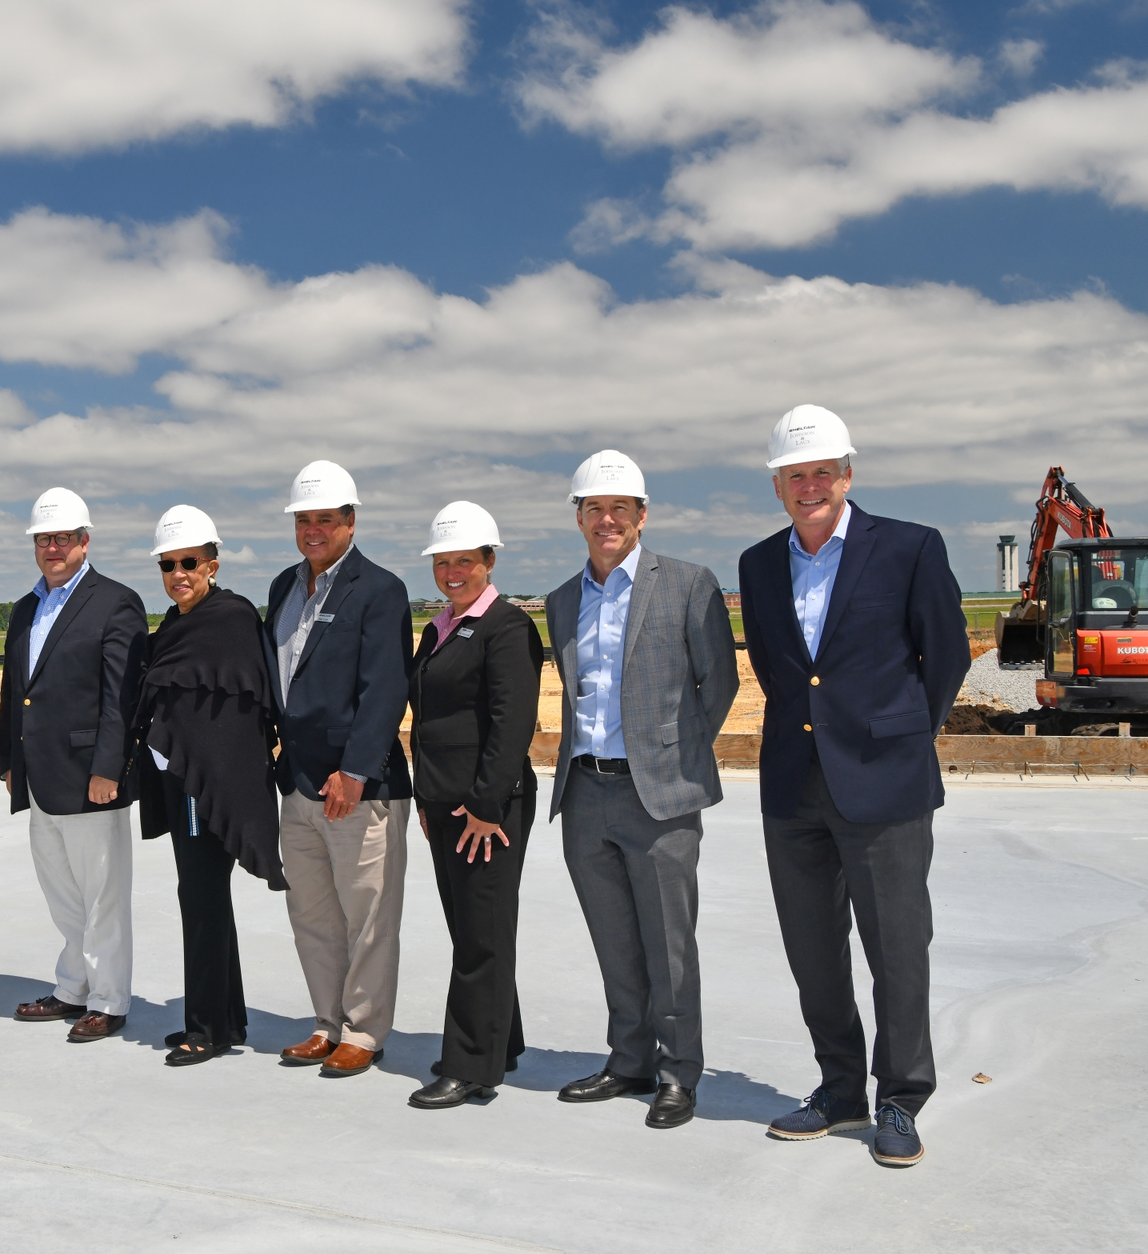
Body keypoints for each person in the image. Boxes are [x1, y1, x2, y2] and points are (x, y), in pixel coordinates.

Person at [739, 405, 968, 1169]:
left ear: (847, 474)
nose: (809, 486)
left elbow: (946, 656)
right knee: (813, 951)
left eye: (822, 472)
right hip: (793, 785)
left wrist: (900, 736)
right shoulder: (758, 564)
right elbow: (779, 670)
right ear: (777, 486)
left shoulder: (909, 547)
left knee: (897, 948)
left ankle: (900, 1097)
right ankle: (840, 1090)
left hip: (885, 784)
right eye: (794, 475)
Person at [544, 452, 740, 1130]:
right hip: (585, 792)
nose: (607, 520)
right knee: (614, 940)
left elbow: (719, 685)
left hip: (658, 795)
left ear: (642, 515)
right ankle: (628, 1059)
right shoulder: (562, 601)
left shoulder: (687, 584)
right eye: (594, 509)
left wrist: (671, 758)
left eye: (620, 508)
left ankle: (679, 1072)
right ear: (578, 518)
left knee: (669, 944)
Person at [263, 461, 413, 1079]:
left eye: (326, 518)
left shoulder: (379, 590)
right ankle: (327, 1023)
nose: (314, 529)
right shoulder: (284, 586)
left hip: (357, 788)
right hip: (298, 783)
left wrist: (355, 771)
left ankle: (365, 1030)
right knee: (314, 916)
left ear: (351, 521)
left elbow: (386, 688)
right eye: (305, 519)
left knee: (368, 918)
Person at [405, 503, 544, 1109]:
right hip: (444, 803)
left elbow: (513, 723)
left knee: (481, 937)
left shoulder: (507, 627)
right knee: (470, 930)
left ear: (490, 561)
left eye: (465, 560)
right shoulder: (440, 627)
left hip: (487, 808)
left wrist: (487, 803)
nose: (452, 572)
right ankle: (498, 1041)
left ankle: (469, 1068)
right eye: (443, 562)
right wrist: (426, 796)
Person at [0, 488, 148, 1043]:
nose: (53, 547)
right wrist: (9, 760)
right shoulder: (26, 608)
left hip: (90, 776)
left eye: (63, 538)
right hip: (39, 775)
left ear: (85, 542)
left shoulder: (116, 602)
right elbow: (16, 691)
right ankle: (73, 988)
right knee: (62, 893)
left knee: (102, 895)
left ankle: (108, 1000)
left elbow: (121, 697)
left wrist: (109, 767)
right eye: (44, 539)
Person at [135, 506, 283, 1066]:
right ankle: (227, 1016)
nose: (178, 573)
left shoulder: (231, 617)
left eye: (189, 563)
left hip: (211, 783)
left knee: (200, 898)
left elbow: (242, 711)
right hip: (182, 777)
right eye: (168, 564)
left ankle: (206, 1030)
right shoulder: (174, 624)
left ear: (212, 565)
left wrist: (206, 772)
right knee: (205, 898)